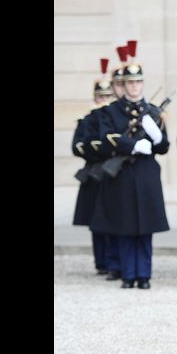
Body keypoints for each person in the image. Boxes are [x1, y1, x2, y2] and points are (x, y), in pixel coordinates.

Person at [89, 40, 169, 289]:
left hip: (145, 173)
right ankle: (128, 274)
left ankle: (143, 274)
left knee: (145, 227)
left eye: (138, 82)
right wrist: (131, 146)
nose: (134, 87)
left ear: (142, 84)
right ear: (123, 85)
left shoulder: (153, 111)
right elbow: (106, 137)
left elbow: (164, 146)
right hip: (123, 173)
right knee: (124, 225)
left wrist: (156, 137)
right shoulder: (112, 111)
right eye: (130, 83)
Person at [71, 58, 116, 275]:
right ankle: (101, 262)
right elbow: (78, 146)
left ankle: (114, 260)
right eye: (101, 96)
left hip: (114, 172)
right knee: (96, 221)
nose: (105, 100)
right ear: (95, 97)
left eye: (108, 96)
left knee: (114, 218)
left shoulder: (115, 117)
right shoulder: (87, 119)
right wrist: (99, 148)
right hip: (94, 173)